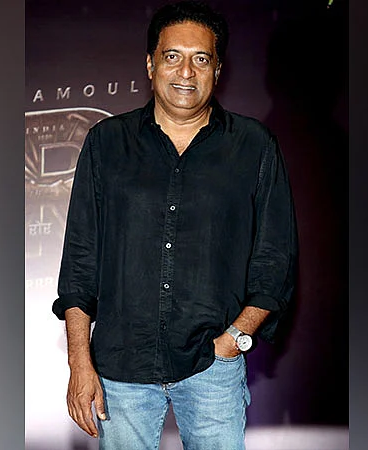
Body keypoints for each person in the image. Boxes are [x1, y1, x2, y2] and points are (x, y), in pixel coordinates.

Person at [52, 1, 297, 448]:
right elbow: (80, 262)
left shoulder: (254, 146)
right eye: (172, 56)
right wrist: (79, 363)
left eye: (201, 58)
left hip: (213, 367)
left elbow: (275, 257)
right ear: (150, 65)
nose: (186, 71)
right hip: (120, 369)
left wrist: (235, 339)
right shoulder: (107, 143)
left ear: (217, 70)